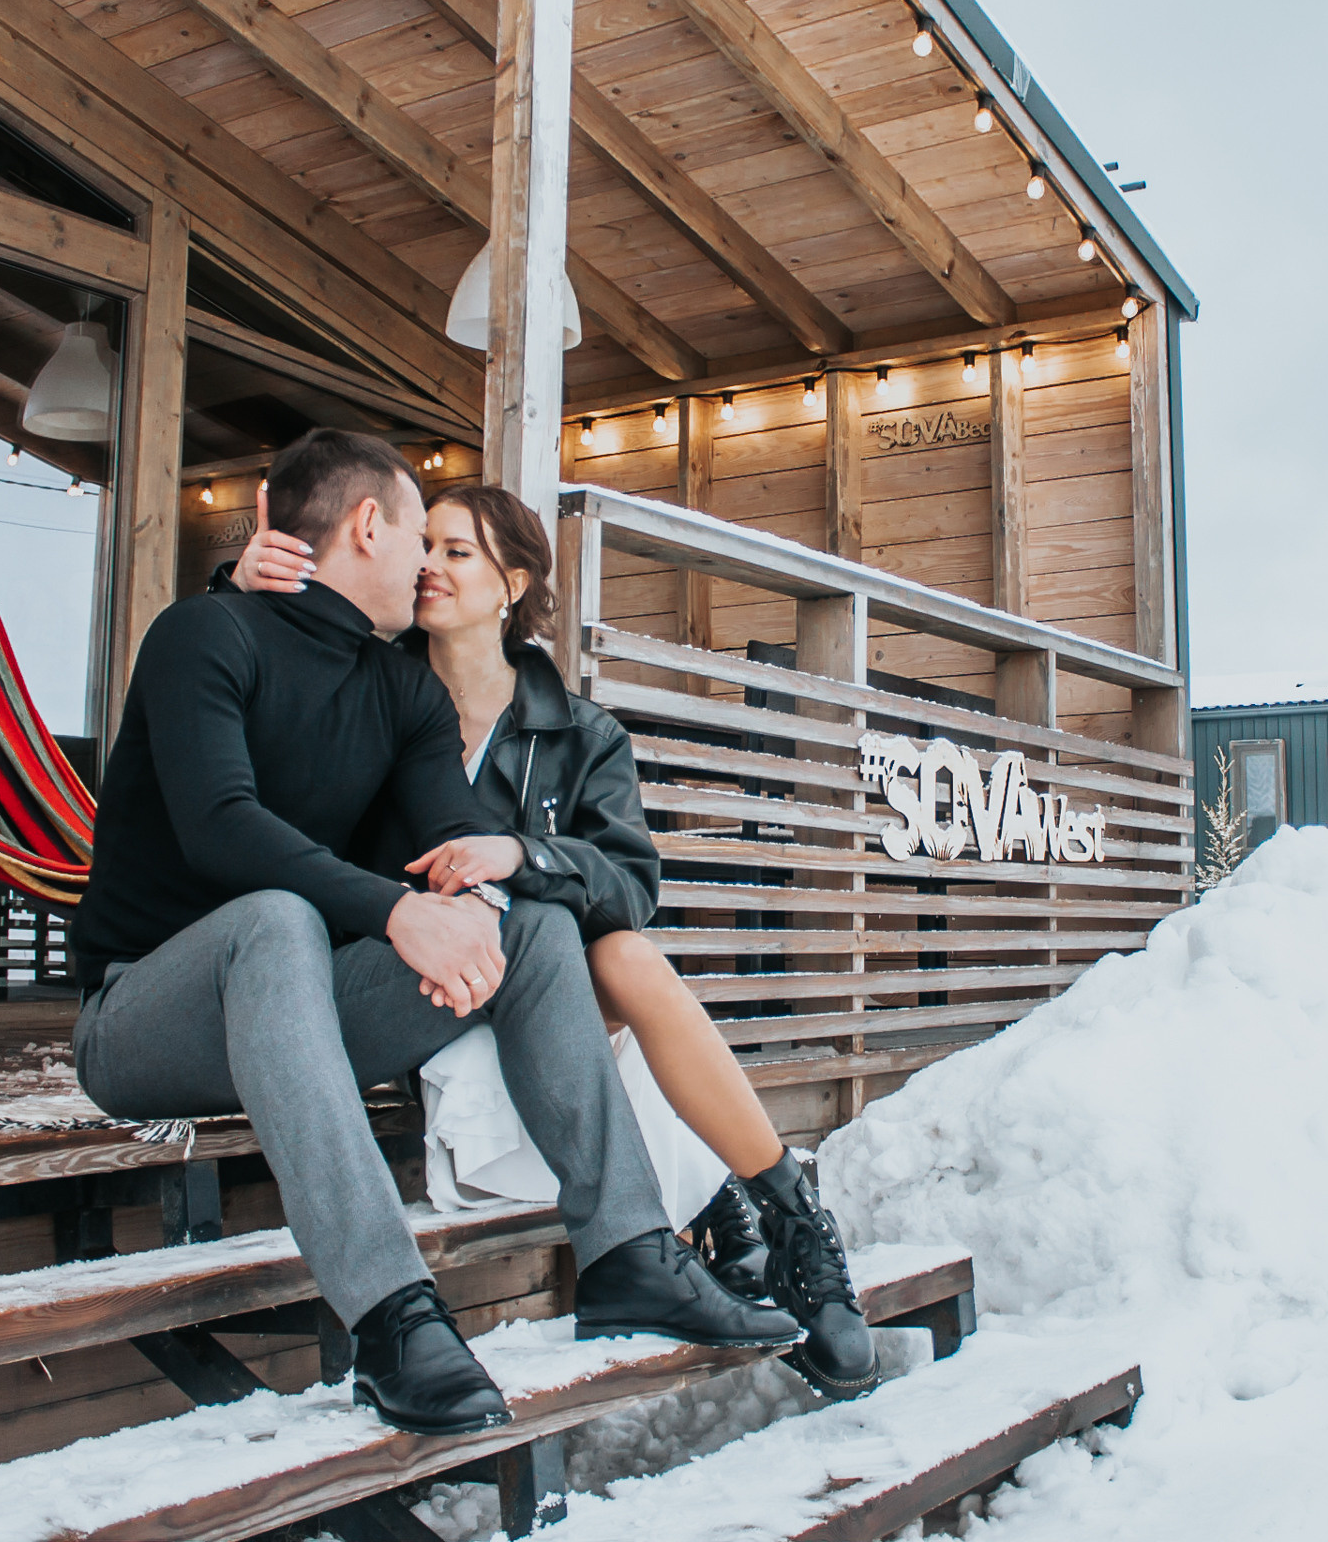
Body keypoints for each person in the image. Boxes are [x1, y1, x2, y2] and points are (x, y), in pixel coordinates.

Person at [70, 429, 798, 1442]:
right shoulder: (205, 636)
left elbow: (455, 839)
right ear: (370, 524)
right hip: (145, 1019)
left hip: (304, 1009)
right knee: (275, 920)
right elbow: (221, 827)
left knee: (533, 924)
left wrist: (487, 886)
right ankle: (391, 1317)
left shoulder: (402, 689)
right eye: (422, 532)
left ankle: (630, 1252)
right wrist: (399, 914)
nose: (426, 560)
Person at [225, 480, 880, 1401]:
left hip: (542, 981)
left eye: (461, 552)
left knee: (623, 954)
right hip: (407, 981)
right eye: (430, 545)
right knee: (591, 978)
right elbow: (264, 691)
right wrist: (246, 582)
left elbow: (631, 886)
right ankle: (727, 1215)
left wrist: (522, 853)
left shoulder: (580, 732)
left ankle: (793, 1222)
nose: (432, 566)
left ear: (514, 580)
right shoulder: (363, 688)